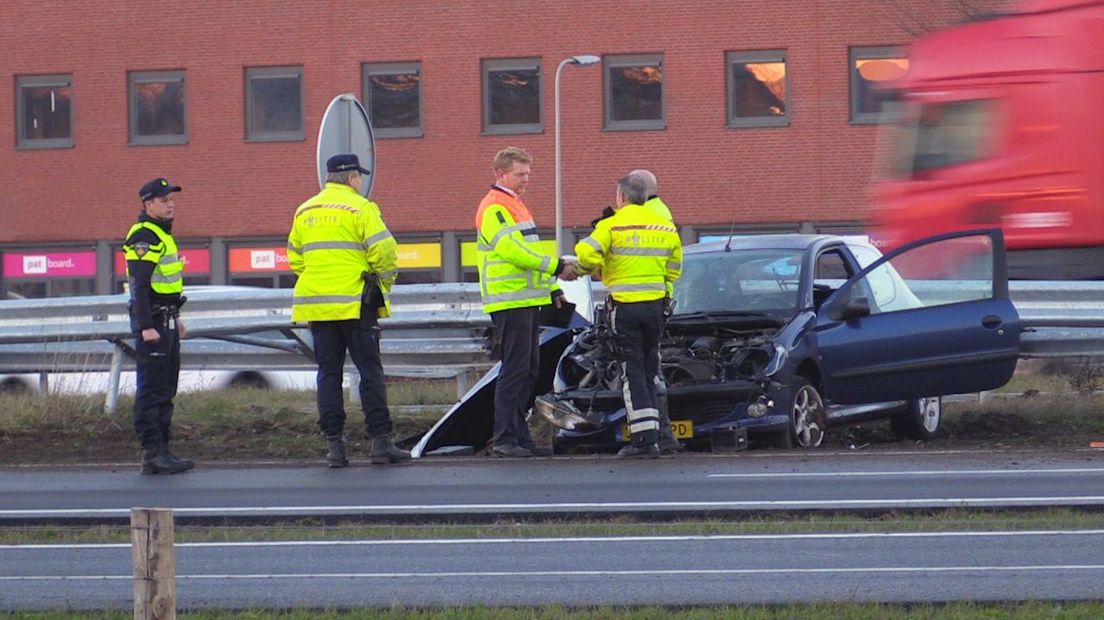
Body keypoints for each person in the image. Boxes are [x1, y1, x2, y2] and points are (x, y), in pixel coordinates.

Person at [287, 153, 409, 468]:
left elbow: (295, 259)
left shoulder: (304, 210)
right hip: (357, 303)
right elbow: (384, 250)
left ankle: (335, 448)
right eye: (359, 177)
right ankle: (380, 444)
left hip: (317, 307)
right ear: (352, 177)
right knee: (370, 372)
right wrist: (384, 283)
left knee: (328, 374)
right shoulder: (361, 207)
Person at [475, 146, 577, 458]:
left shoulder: (514, 205)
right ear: (501, 174)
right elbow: (513, 252)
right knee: (516, 370)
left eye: (528, 174)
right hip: (510, 303)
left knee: (528, 369)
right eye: (520, 174)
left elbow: (528, 252)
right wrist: (556, 268)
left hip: (525, 301)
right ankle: (506, 437)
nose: (526, 180)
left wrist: (551, 289)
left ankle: (517, 435)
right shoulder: (495, 208)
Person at [574, 173, 682, 458]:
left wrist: (595, 267)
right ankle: (657, 436)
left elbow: (587, 254)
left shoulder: (612, 224)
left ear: (620, 197)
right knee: (648, 370)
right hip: (656, 307)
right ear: (646, 197)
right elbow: (674, 270)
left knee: (631, 371)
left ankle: (644, 441)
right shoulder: (666, 227)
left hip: (626, 308)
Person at [124, 177, 193, 475]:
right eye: (164, 200)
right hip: (153, 323)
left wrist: (176, 317)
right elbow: (139, 286)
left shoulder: (162, 234)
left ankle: (163, 449)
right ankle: (151, 452)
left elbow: (166, 285)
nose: (170, 203)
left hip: (165, 319)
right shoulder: (145, 235)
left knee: (166, 387)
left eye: (171, 199)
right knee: (151, 389)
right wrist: (145, 326)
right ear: (148, 204)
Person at [626, 169, 682, 454]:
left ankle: (658, 434)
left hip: (640, 301)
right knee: (650, 369)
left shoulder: (647, 215)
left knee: (645, 372)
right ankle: (662, 434)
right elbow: (674, 263)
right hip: (659, 301)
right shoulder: (662, 213)